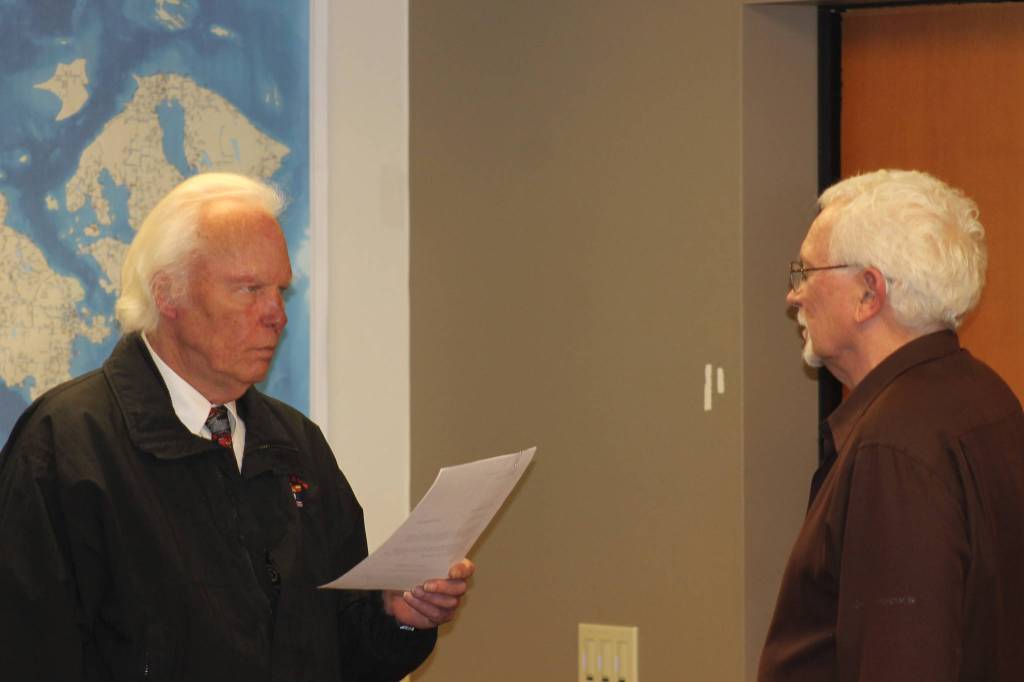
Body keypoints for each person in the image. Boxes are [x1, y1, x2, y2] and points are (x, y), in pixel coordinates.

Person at [0, 172, 473, 681]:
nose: (276, 316)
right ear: (168, 295)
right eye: (249, 289)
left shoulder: (297, 446)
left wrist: (396, 618)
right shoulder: (65, 446)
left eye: (280, 292)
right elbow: (28, 653)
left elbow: (342, 653)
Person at [758, 169, 1024, 681]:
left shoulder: (895, 446)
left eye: (806, 272)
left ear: (868, 294)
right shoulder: (986, 397)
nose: (794, 296)